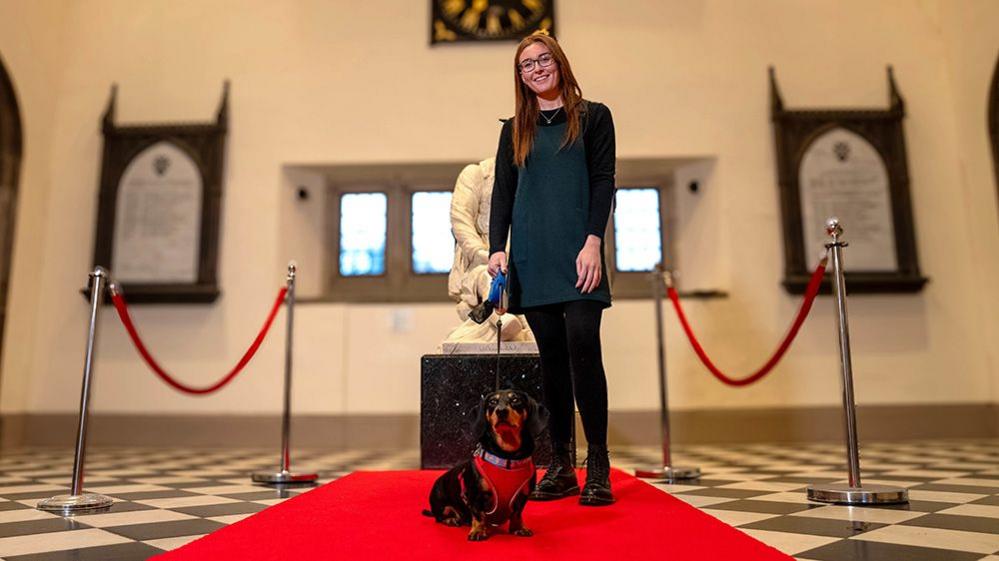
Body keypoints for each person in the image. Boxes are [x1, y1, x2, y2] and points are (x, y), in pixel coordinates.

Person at [487, 31, 616, 506]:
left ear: (559, 63)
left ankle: (597, 464)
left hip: (579, 253)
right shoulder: (513, 129)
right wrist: (496, 249)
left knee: (584, 349)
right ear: (520, 76)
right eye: (526, 65)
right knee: (552, 364)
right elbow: (503, 192)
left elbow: (604, 182)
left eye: (544, 60)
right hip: (532, 256)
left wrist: (593, 242)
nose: (537, 69)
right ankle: (560, 464)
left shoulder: (594, 117)